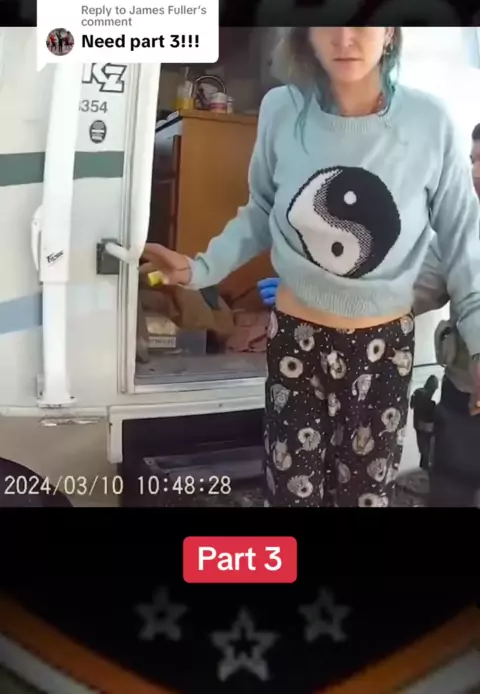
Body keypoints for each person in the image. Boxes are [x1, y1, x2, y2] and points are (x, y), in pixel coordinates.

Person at [143, 27, 480, 508]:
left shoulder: (430, 122)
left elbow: (465, 243)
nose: (345, 37)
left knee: (364, 499)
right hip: (296, 341)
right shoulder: (282, 109)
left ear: (390, 32)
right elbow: (261, 209)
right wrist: (199, 269)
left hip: (384, 350)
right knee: (290, 496)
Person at [413, 123, 480, 507]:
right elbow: (404, 296)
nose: (476, 171)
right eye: (473, 159)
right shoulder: (456, 235)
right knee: (450, 496)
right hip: (463, 405)